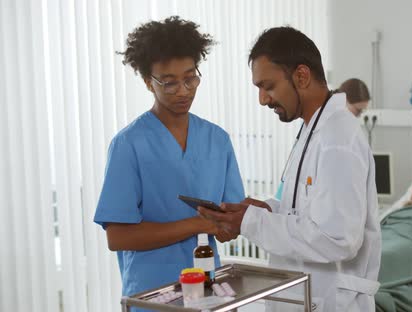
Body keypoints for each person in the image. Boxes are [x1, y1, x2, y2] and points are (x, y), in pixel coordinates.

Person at [199, 26, 381, 312]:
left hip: (332, 301)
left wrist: (250, 222)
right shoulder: (312, 130)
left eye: (268, 86)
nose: (262, 99)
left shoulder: (337, 139)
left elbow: (337, 238)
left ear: (301, 76)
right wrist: (264, 210)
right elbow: (307, 213)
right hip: (305, 295)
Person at [93, 16, 244, 300]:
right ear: (149, 83)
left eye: (190, 78)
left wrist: (227, 227)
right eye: (170, 83)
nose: (184, 91)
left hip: (209, 289)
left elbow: (229, 223)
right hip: (153, 294)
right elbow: (118, 237)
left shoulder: (217, 139)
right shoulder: (129, 144)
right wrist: (198, 224)